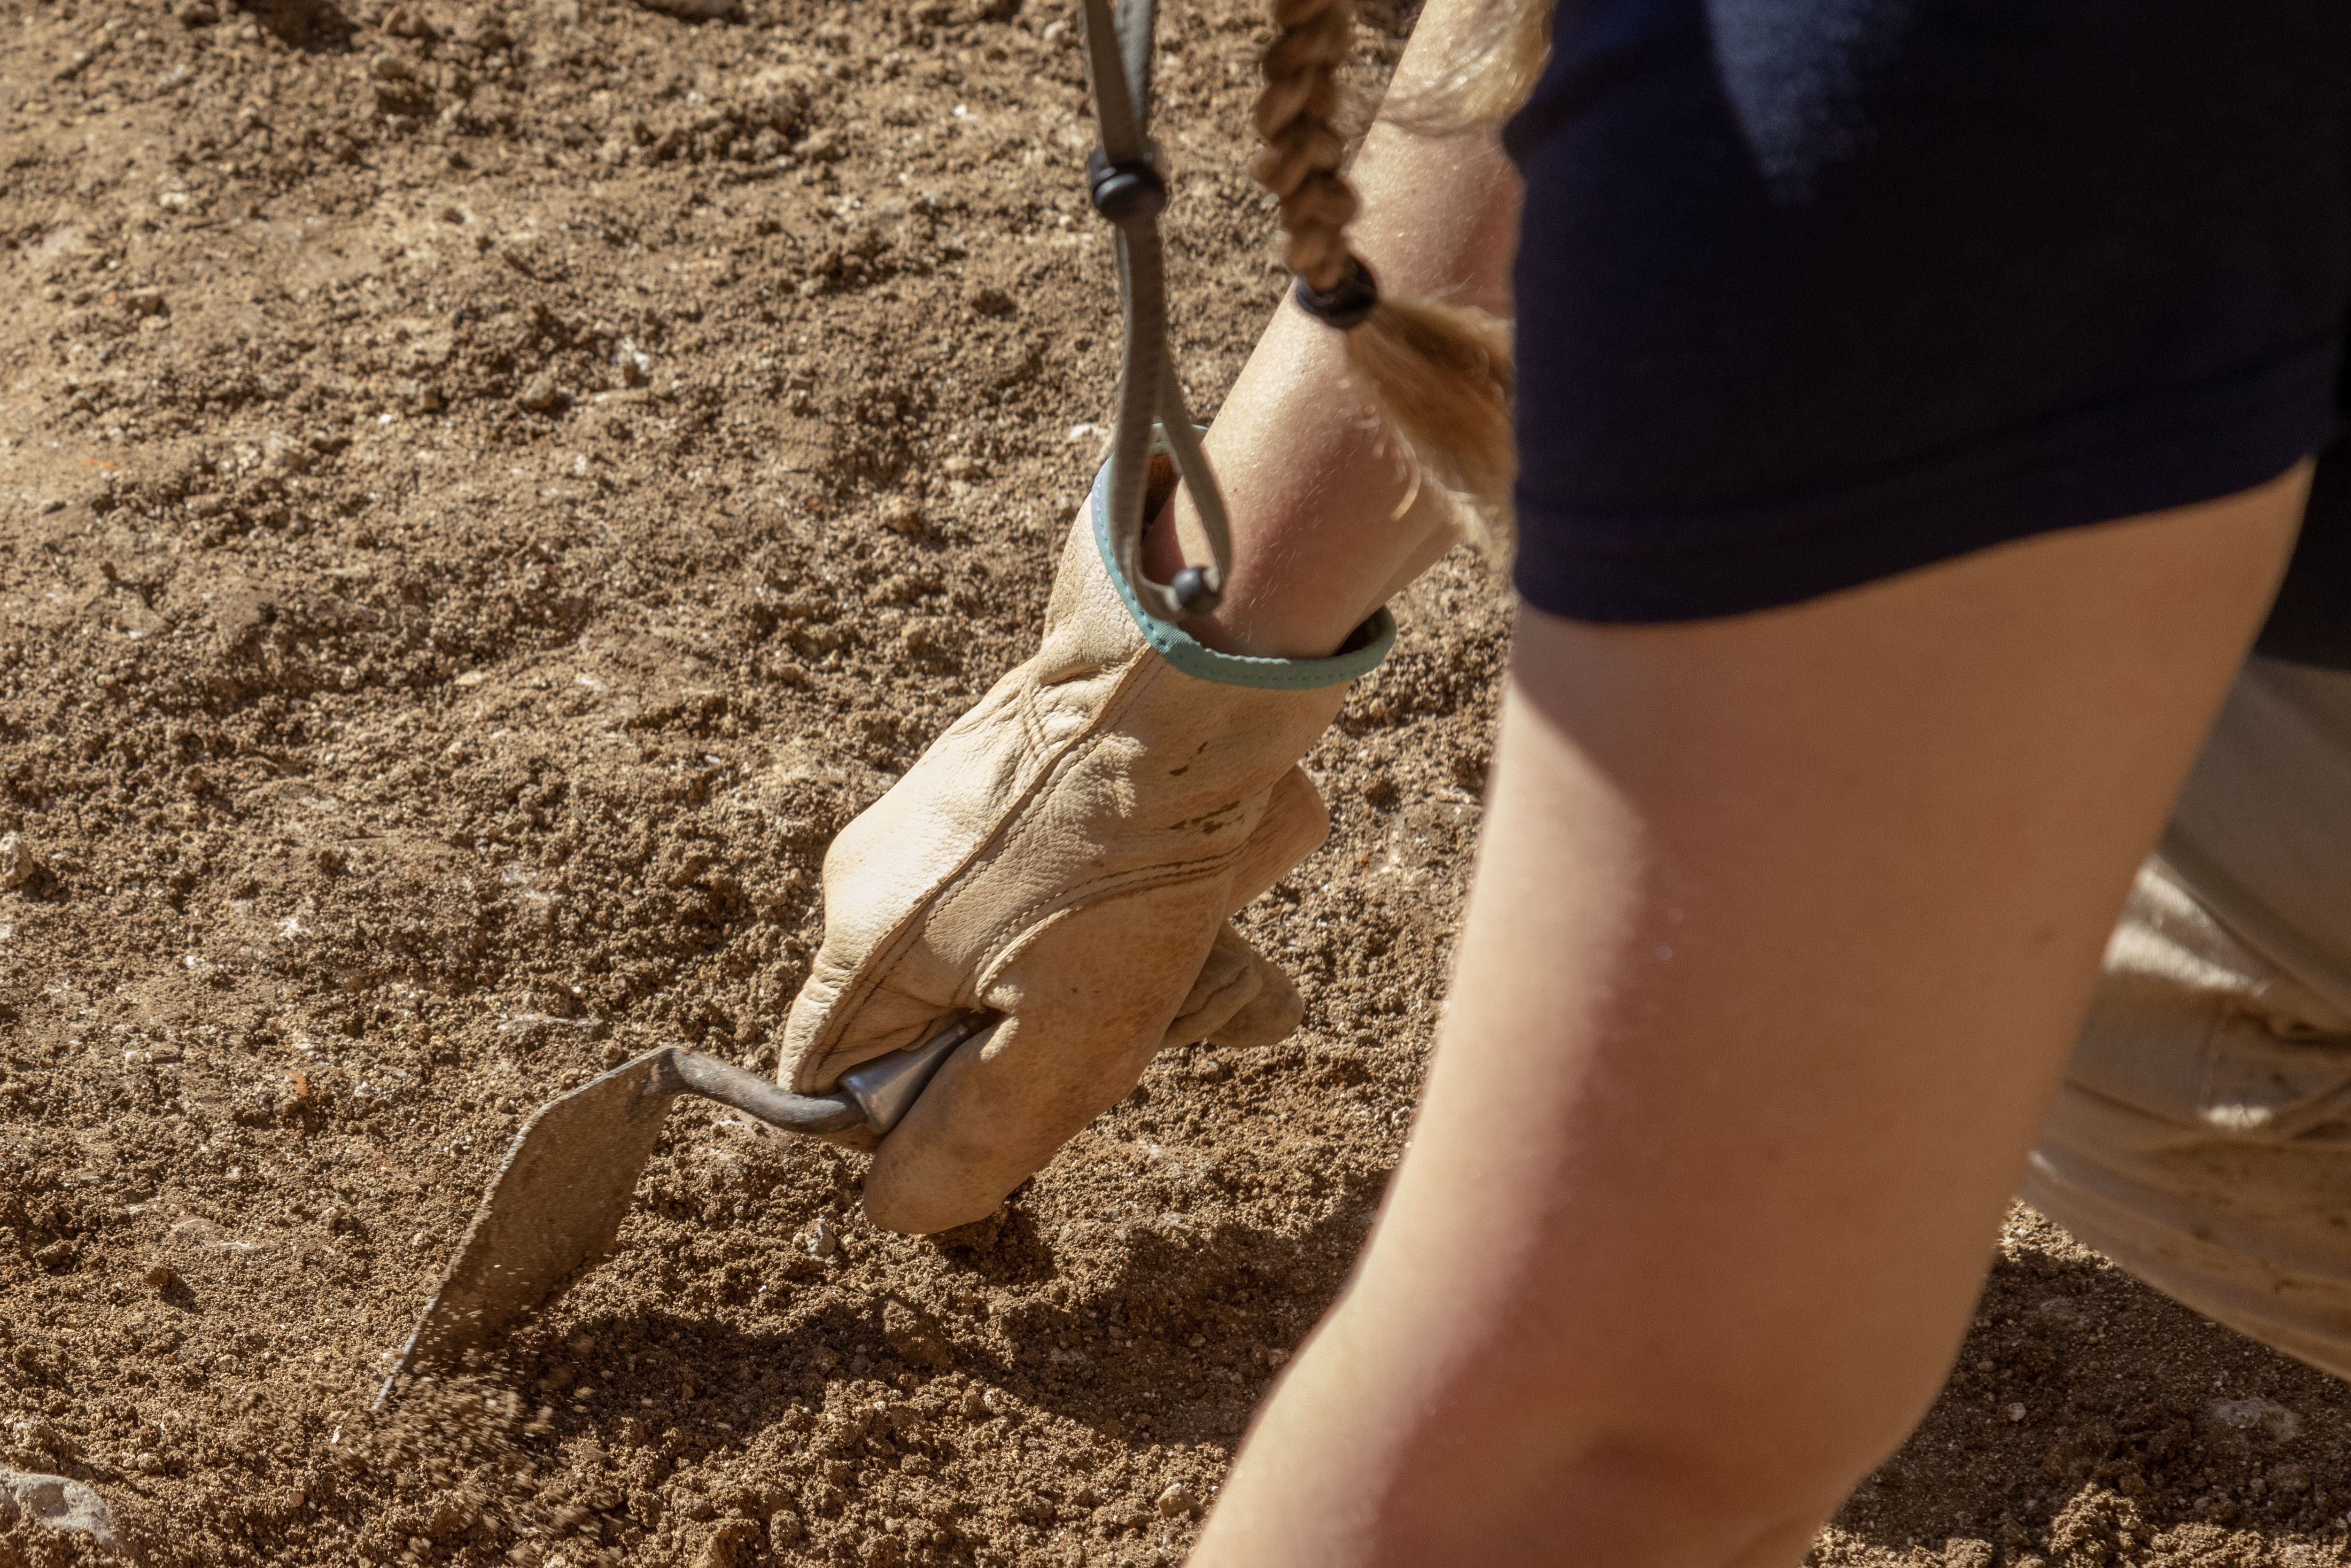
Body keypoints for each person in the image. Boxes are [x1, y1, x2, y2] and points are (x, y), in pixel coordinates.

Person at [779, 0, 2351, 1559]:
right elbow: (1552, 54)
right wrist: (1156, 716)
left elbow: (1604, 1422)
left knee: (2038, 951)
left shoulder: (1889, 105)